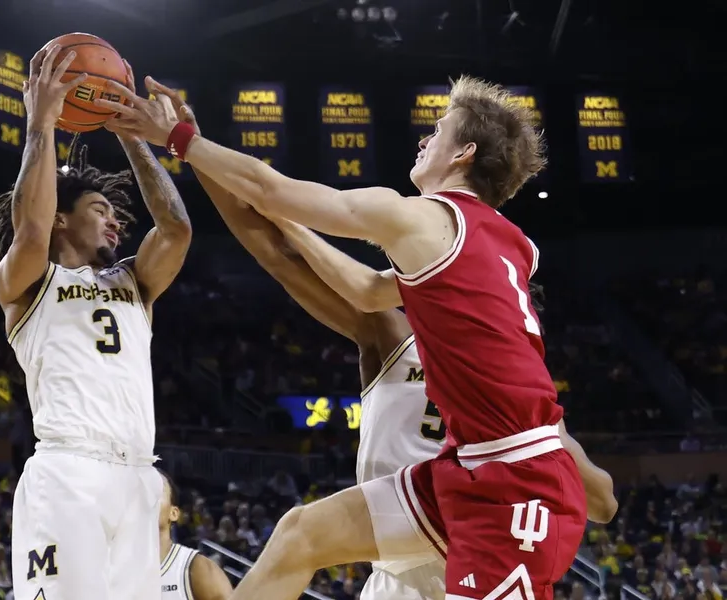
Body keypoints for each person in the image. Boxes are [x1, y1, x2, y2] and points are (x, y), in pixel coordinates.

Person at [96, 75, 600, 600]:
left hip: (516, 481)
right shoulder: (505, 244)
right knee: (301, 534)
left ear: (464, 153)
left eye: (437, 130)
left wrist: (179, 139)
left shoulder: (424, 216)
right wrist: (281, 219)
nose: (424, 139)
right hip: (468, 467)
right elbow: (368, 291)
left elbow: (273, 190)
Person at [0, 47, 191, 600]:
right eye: (100, 209)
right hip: (69, 471)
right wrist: (41, 125)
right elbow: (30, 230)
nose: (115, 221)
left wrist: (133, 138)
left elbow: (176, 230)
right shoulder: (28, 282)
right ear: (62, 218)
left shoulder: (135, 283)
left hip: (139, 477)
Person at [158, 469, 234, 600]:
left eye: (155, 491)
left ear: (174, 513)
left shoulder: (197, 569)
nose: (146, 499)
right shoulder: (119, 565)